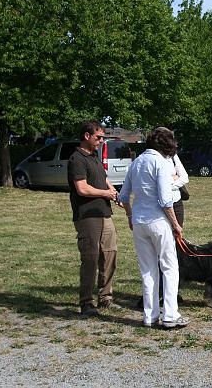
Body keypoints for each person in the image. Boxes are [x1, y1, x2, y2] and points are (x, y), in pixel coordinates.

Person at [119, 127, 188, 329]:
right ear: (165, 146)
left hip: (139, 222)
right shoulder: (160, 163)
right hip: (158, 222)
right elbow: (166, 200)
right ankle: (170, 315)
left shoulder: (136, 163)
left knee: (148, 270)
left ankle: (149, 316)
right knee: (169, 267)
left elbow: (123, 196)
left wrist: (130, 216)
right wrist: (176, 225)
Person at [67, 121, 120, 317]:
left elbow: (104, 180)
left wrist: (114, 194)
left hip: (104, 214)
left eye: (102, 137)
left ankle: (106, 298)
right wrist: (105, 194)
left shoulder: (94, 157)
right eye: (98, 137)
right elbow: (82, 188)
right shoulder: (77, 159)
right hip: (87, 215)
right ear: (86, 136)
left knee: (110, 254)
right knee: (90, 258)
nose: (101, 140)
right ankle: (86, 302)